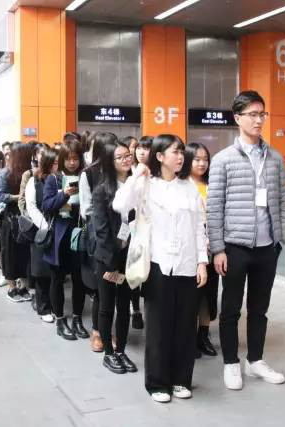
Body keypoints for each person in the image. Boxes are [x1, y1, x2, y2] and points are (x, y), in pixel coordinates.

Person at [113, 134, 208, 403]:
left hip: (187, 265)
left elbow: (199, 228)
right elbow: (120, 205)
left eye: (181, 152)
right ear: (159, 156)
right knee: (158, 327)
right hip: (158, 265)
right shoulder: (147, 184)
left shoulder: (189, 187)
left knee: (184, 327)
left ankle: (181, 379)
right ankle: (157, 382)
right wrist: (136, 175)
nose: (181, 156)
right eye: (175, 152)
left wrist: (202, 262)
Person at [207, 90, 285, 391]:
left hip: (267, 247)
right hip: (234, 247)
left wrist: (280, 240)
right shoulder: (223, 160)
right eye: (252, 114)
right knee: (230, 308)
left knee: (259, 308)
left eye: (262, 114)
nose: (258, 120)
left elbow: (284, 200)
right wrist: (218, 248)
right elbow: (214, 206)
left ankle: (255, 360)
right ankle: (231, 363)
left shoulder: (275, 158)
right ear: (237, 118)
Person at [92, 135, 138, 375]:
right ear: (110, 162)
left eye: (127, 155)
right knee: (107, 306)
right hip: (108, 257)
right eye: (119, 157)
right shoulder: (102, 190)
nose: (125, 160)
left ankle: (121, 351)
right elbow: (100, 230)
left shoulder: (136, 185)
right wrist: (111, 263)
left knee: (124, 304)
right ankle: (109, 353)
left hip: (129, 255)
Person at [42, 138, 89, 341]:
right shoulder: (54, 179)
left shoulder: (85, 177)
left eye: (75, 159)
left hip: (79, 233)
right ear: (62, 159)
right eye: (68, 159)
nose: (72, 163)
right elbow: (46, 205)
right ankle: (60, 319)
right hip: (59, 236)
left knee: (79, 279)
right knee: (57, 279)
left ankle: (77, 318)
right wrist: (65, 195)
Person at [179, 142, 218, 358]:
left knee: (208, 295)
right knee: (191, 295)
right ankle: (189, 338)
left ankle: (203, 335)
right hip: (189, 246)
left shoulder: (212, 184)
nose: (202, 164)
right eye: (197, 159)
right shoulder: (181, 184)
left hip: (212, 246)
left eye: (205, 159)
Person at [79, 133, 110, 352]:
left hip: (120, 237)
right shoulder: (89, 173)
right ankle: (98, 332)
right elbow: (86, 209)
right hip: (98, 235)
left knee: (115, 285)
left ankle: (108, 330)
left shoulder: (123, 171)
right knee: (100, 287)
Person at [25, 147, 57, 322]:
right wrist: (45, 226)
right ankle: (43, 307)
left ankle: (55, 305)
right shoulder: (34, 181)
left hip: (57, 228)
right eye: (52, 163)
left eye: (57, 162)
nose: (55, 166)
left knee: (55, 271)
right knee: (41, 270)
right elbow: (31, 206)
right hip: (41, 231)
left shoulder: (60, 179)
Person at [0, 142, 33, 302]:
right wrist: (19, 197)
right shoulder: (6, 173)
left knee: (23, 253)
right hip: (10, 218)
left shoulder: (30, 173)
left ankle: (23, 286)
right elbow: (0, 195)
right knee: (10, 254)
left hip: (25, 217)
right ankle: (11, 288)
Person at [128, 135, 153, 331]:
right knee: (135, 269)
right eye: (139, 148)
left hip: (153, 230)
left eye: (146, 148)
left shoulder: (158, 174)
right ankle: (135, 310)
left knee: (150, 272)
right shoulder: (131, 172)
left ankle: (150, 311)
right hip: (133, 229)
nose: (141, 152)